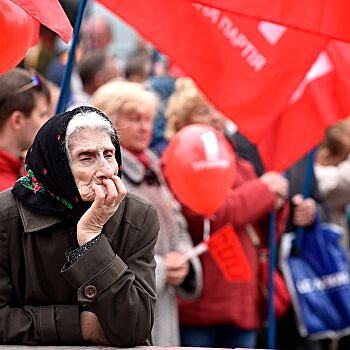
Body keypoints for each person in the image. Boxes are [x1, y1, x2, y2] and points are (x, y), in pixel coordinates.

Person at [0, 106, 159, 346]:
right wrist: (80, 325)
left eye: (109, 154)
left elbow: (134, 326)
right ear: (56, 165)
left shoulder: (138, 215)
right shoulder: (6, 215)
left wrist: (92, 237)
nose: (106, 170)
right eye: (86, 157)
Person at [164, 77, 290, 349]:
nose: (214, 117)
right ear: (182, 122)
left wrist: (282, 206)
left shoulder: (241, 165)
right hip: (201, 306)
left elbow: (265, 232)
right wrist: (264, 192)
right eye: (202, 111)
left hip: (243, 302)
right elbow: (206, 216)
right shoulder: (176, 161)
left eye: (217, 108)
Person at [92, 80, 202, 346]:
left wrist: (186, 262)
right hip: (127, 306)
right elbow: (102, 248)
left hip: (162, 303)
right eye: (135, 118)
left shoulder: (154, 167)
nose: (145, 127)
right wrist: (162, 268)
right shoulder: (104, 175)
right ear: (111, 121)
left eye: (149, 119)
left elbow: (178, 223)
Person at [0, 67, 51, 191]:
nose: (49, 121)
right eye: (42, 114)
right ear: (17, 120)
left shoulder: (27, 169)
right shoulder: (5, 190)